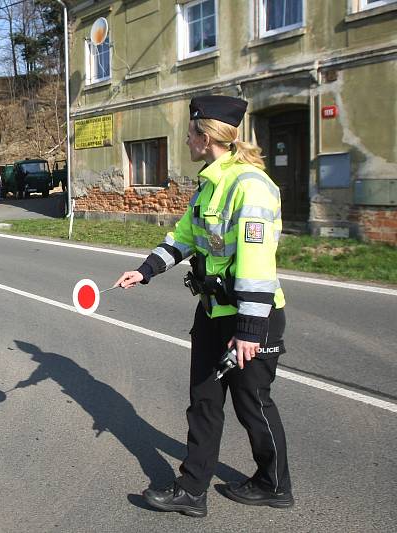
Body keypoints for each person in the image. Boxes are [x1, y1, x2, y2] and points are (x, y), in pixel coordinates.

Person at [114, 95, 293, 517]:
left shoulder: (250, 186)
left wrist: (249, 330)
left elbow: (255, 261)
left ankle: (273, 483)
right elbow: (184, 237)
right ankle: (192, 491)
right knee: (204, 401)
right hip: (213, 313)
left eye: (190, 133)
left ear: (206, 135)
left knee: (254, 406)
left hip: (252, 318)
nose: (186, 139)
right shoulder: (209, 184)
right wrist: (146, 270)